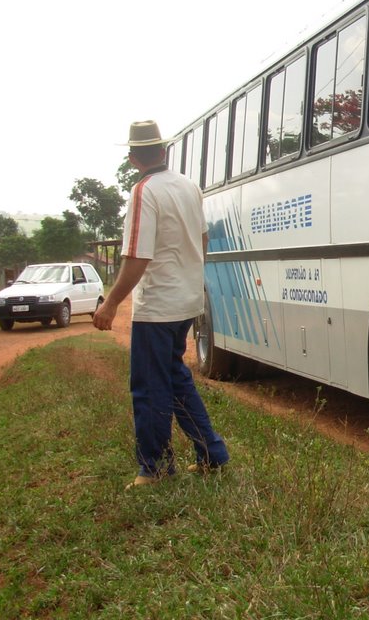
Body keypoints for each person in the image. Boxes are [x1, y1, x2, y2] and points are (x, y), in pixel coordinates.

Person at [94, 120, 229, 490]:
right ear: (164, 150)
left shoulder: (144, 192)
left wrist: (111, 304)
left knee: (149, 386)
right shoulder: (188, 186)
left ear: (133, 157)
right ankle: (211, 453)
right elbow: (202, 239)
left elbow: (137, 257)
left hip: (158, 306)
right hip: (186, 300)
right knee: (174, 377)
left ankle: (154, 467)